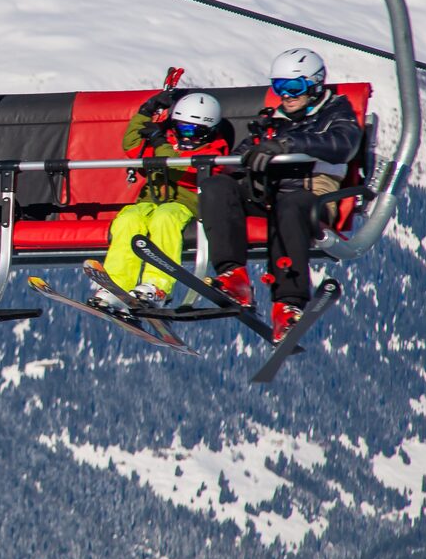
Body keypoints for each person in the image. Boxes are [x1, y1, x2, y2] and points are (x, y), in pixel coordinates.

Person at [197, 47, 362, 341]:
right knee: (216, 187)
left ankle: (288, 303)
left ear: (314, 84)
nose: (286, 94)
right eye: (279, 87)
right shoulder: (274, 118)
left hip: (311, 197)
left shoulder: (337, 112)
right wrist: (249, 159)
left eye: (293, 86)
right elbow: (241, 155)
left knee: (290, 206)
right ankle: (233, 278)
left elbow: (343, 144)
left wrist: (288, 144)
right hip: (269, 195)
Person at [95, 90, 231, 309]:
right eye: (181, 129)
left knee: (165, 218)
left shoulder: (214, 149)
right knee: (128, 218)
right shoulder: (167, 142)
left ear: (209, 132)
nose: (187, 137)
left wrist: (159, 141)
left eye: (194, 131)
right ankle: (116, 283)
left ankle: (157, 285)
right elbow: (131, 145)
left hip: (186, 204)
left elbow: (178, 163)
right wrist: (146, 111)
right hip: (151, 200)